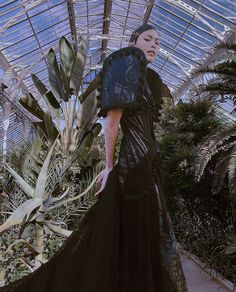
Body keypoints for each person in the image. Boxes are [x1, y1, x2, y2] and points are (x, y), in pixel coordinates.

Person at [0, 24, 188, 292]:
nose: (154, 45)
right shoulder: (125, 68)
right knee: (133, 233)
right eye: (147, 39)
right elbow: (112, 126)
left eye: (158, 42)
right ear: (133, 42)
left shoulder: (150, 79)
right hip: (133, 166)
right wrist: (110, 167)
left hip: (148, 166)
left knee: (142, 233)